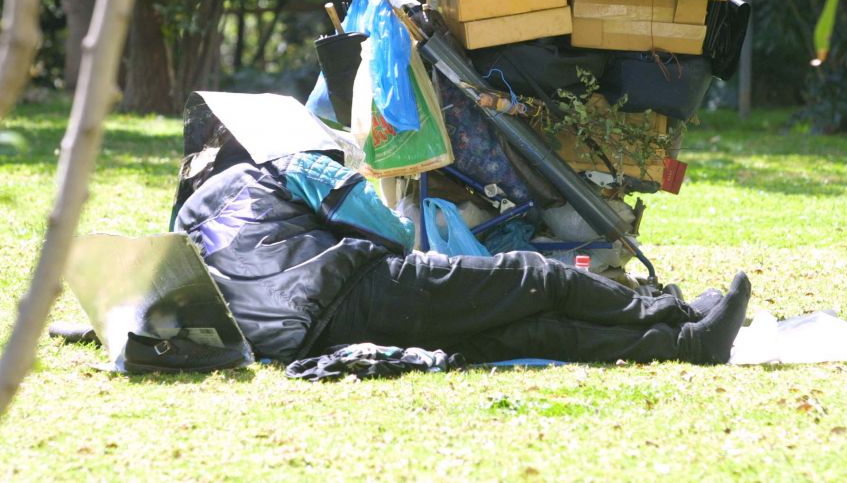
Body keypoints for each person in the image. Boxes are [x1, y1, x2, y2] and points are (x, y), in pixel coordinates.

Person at [173, 145, 750, 366]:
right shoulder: (281, 166)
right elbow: (390, 234)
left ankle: (678, 339)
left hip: (302, 344)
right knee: (532, 278)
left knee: (527, 334)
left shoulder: (185, 226)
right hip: (355, 294)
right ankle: (682, 323)